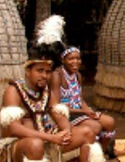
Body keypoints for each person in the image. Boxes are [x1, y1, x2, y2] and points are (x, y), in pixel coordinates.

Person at [0, 15, 104, 162]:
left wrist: (66, 132)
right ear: (28, 71)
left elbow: (59, 115)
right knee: (35, 145)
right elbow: (14, 128)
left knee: (88, 132)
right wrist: (51, 137)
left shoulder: (46, 91)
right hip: (20, 145)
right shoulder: (14, 90)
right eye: (39, 70)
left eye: (48, 71)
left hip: (47, 139)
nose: (44, 75)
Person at [50, 46, 117, 158]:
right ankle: (84, 154)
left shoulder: (78, 76)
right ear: (63, 60)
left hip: (79, 112)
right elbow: (56, 106)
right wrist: (83, 111)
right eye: (71, 59)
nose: (75, 62)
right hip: (65, 115)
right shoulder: (57, 76)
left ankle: (101, 154)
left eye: (78, 58)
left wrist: (88, 109)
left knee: (110, 122)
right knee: (95, 127)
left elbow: (79, 99)